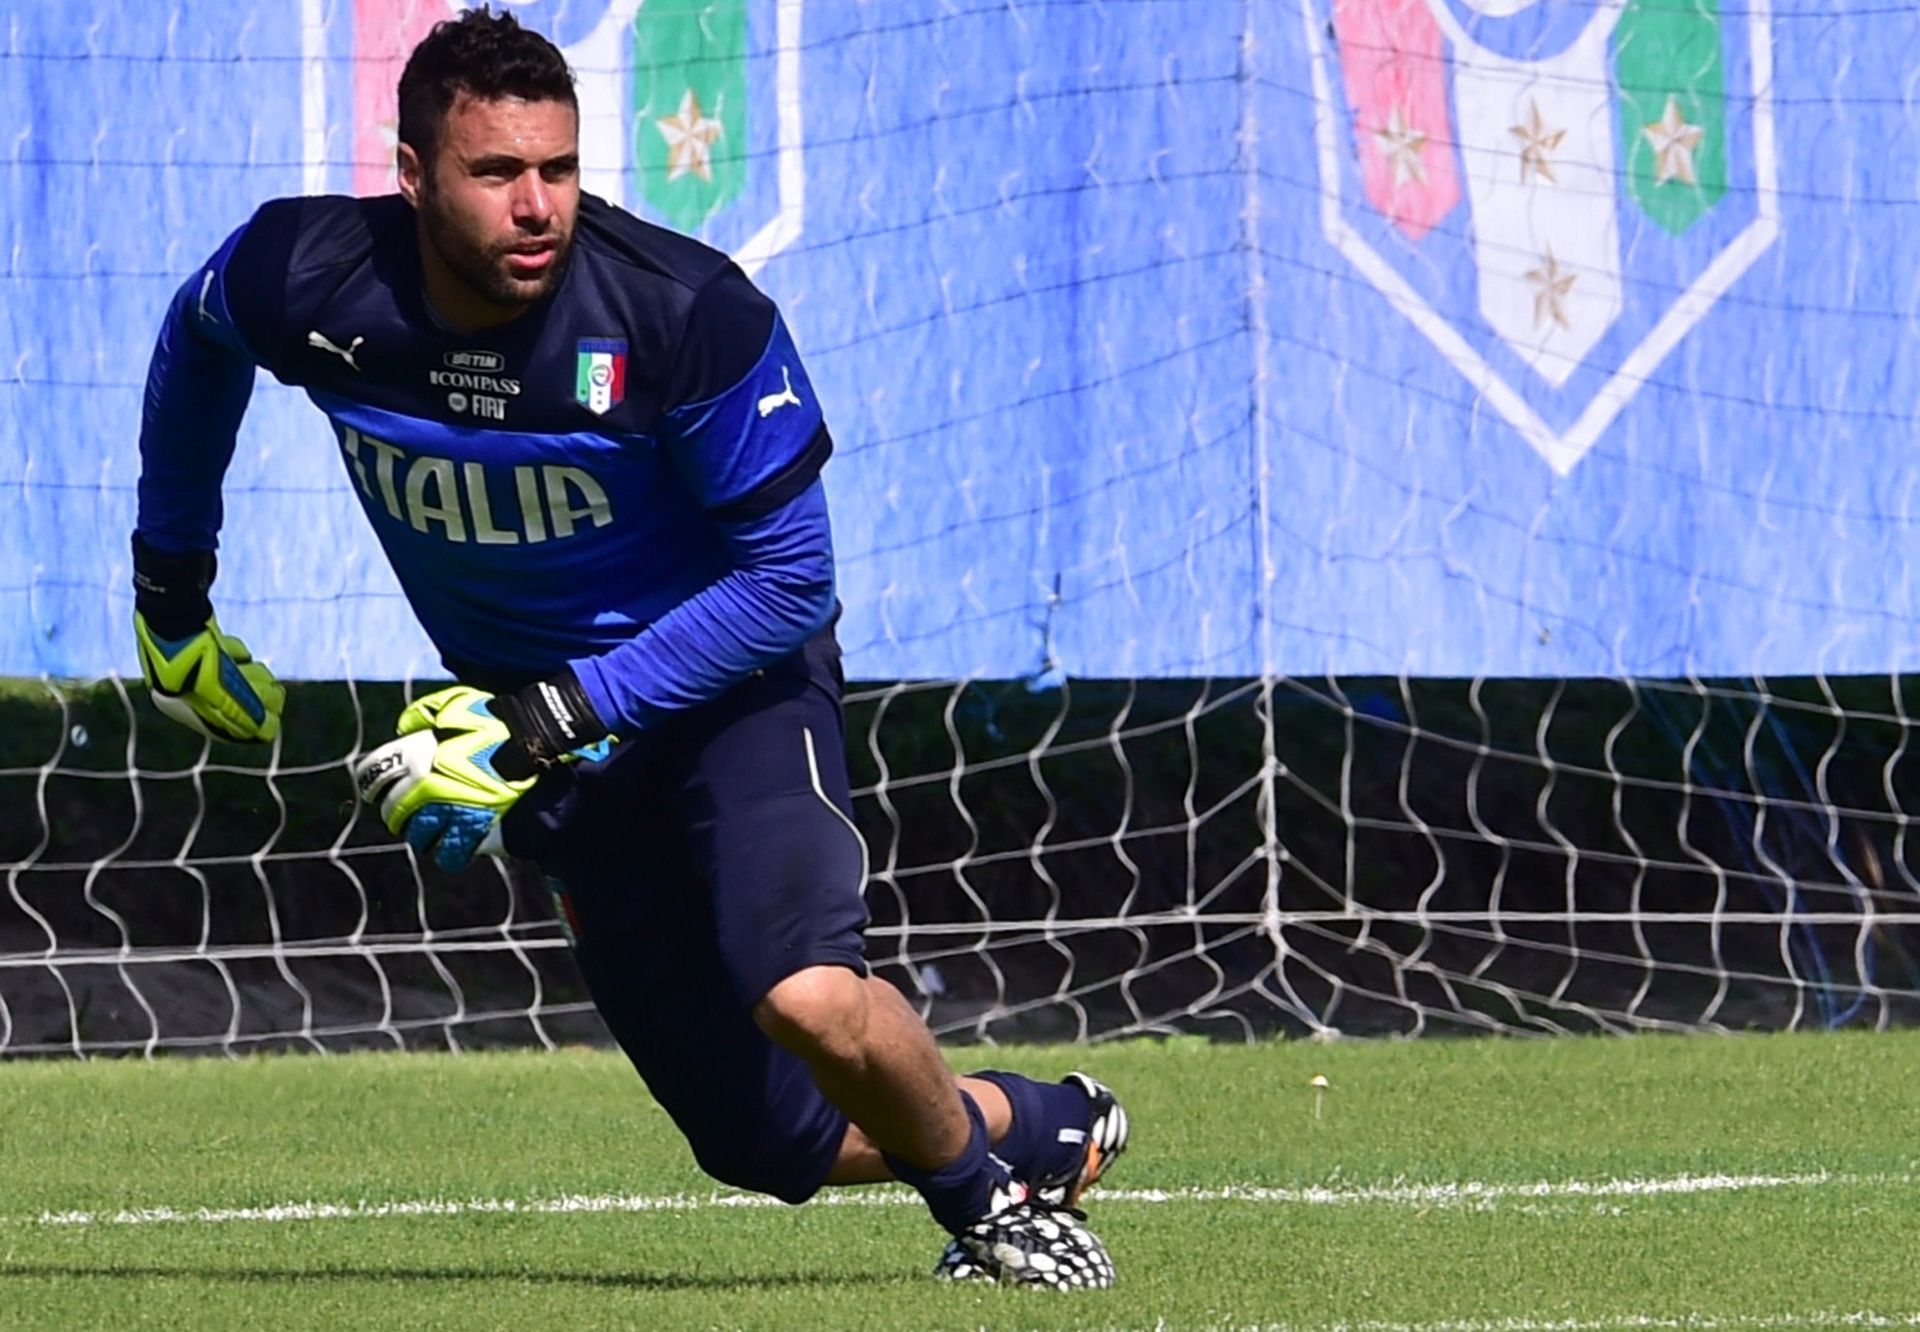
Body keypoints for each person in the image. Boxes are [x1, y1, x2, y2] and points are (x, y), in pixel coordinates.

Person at [129, 7, 1127, 1288]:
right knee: (767, 1140)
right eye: (496, 174)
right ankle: (1045, 1123)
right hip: (546, 736)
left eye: (558, 168)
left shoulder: (683, 314)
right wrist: (172, 588)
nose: (537, 205)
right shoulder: (305, 274)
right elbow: (196, 339)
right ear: (415, 174)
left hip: (731, 695)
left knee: (807, 996)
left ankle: (995, 1216)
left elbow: (790, 583)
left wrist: (552, 713)